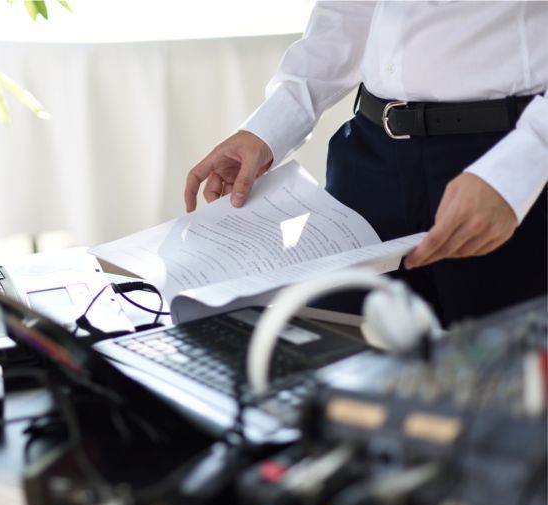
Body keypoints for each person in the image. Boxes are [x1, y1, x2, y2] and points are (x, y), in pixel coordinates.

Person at [184, 1, 547, 326]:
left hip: (500, 168)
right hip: (368, 163)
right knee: (336, 364)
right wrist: (267, 128)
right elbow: (348, 12)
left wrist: (519, 168)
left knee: (500, 380)